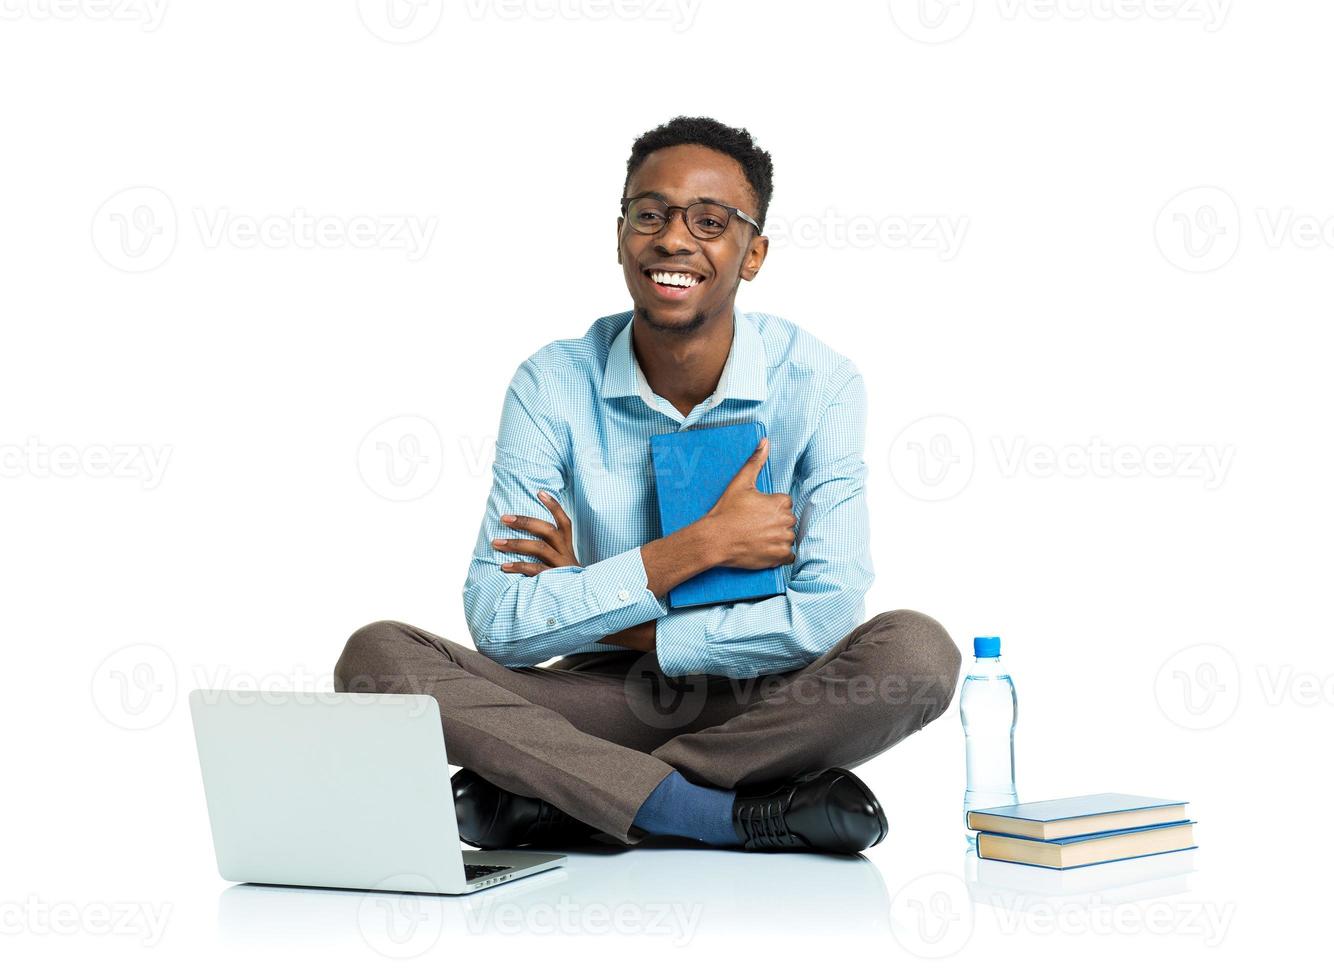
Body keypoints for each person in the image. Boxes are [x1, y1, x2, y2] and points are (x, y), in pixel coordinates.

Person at [335, 116, 961, 854]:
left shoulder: (820, 382)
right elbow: (499, 623)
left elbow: (823, 618)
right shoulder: (553, 382)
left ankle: (578, 794)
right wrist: (696, 548)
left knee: (917, 656)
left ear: (752, 254)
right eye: (650, 214)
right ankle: (714, 813)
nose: (673, 239)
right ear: (621, 236)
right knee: (376, 659)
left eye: (709, 221)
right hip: (609, 696)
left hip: (776, 702)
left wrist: (594, 599)